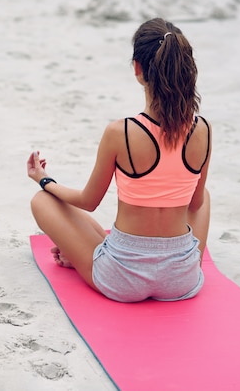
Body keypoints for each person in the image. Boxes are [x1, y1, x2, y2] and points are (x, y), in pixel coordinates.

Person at [27, 18, 211, 303]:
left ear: (138, 69)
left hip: (122, 280)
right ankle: (166, 258)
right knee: (204, 194)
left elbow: (88, 201)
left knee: (41, 200)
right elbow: (195, 205)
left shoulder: (121, 132)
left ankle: (85, 257)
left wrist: (45, 180)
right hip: (183, 280)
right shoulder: (204, 130)